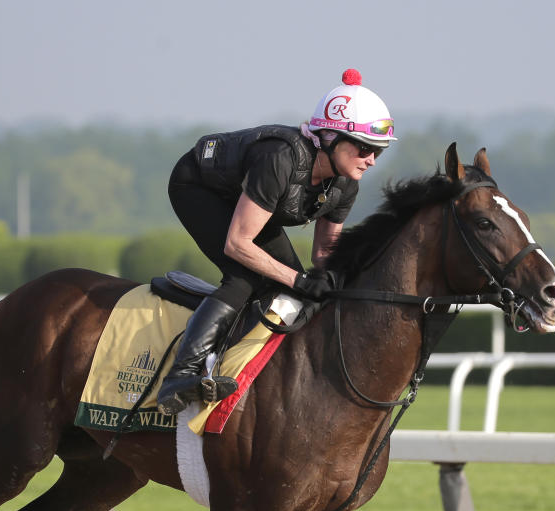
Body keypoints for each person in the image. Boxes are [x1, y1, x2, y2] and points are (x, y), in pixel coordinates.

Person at [156, 68, 398, 417]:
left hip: (247, 202)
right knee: (245, 277)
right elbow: (238, 244)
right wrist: (298, 279)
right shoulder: (281, 159)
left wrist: (349, 281)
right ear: (329, 137)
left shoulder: (346, 184)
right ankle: (180, 377)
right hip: (198, 187)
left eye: (379, 151)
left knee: (294, 289)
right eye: (364, 148)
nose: (371, 160)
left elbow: (324, 255)